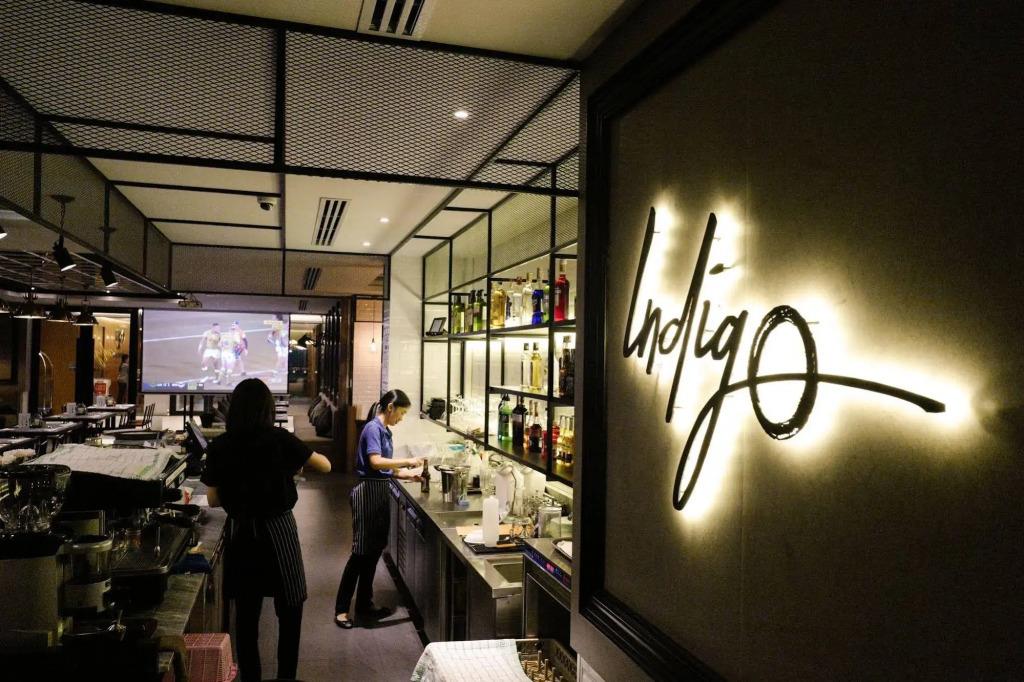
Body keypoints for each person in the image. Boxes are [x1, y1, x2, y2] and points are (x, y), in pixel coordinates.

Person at [201, 379, 331, 681]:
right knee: (290, 609)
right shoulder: (280, 439)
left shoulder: (221, 445)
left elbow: (213, 499)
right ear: (268, 409)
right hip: (278, 531)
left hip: (242, 533)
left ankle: (251, 678)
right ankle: (286, 677)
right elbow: (324, 465)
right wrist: (290, 467)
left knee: (247, 618)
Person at [334, 389, 423, 629]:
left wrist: (408, 475)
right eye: (401, 413)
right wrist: (408, 461)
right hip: (367, 494)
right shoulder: (372, 428)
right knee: (359, 553)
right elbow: (375, 462)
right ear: (390, 407)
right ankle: (341, 609)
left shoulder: (385, 431)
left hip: (380, 492)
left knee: (373, 552)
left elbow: (386, 469)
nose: (401, 418)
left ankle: (365, 603)